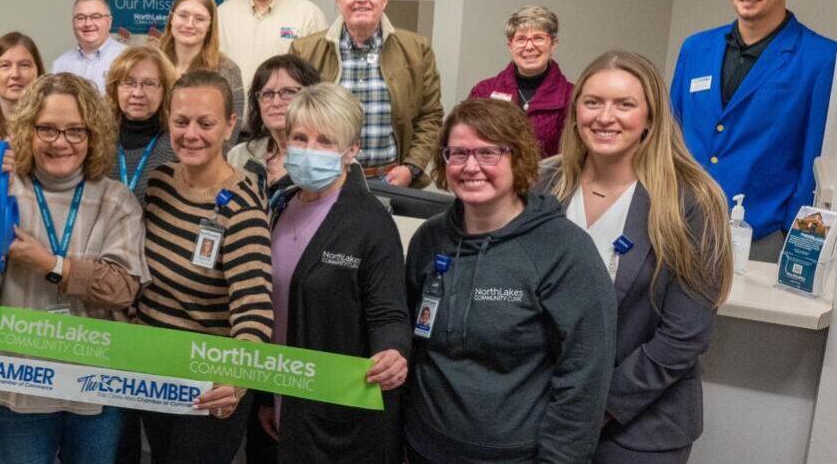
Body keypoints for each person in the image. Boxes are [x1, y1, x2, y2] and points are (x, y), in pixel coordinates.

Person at [0, 73, 147, 464]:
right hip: (18, 380)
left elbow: (124, 288)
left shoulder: (116, 199)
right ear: (27, 130)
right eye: (48, 129)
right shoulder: (1, 183)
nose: (61, 142)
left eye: (75, 131)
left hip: (94, 381)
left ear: (93, 135)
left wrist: (51, 265)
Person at [404, 98, 616, 464]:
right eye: (458, 153)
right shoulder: (429, 239)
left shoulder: (564, 251)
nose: (471, 167)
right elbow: (411, 343)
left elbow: (584, 377)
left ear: (517, 158)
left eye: (489, 153)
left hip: (514, 456)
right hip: (424, 446)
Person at [550, 51, 732, 463]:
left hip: (640, 427)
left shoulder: (690, 200)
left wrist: (597, 408)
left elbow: (684, 336)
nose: (604, 117)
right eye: (592, 102)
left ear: (650, 117)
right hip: (546, 411)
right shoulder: (546, 185)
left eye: (624, 104)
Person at [254, 83, 409, 464]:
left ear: (351, 149)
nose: (309, 150)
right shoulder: (277, 204)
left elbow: (388, 314)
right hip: (278, 395)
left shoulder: (371, 222)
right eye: (300, 137)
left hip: (339, 415)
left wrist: (393, 351)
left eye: (325, 141)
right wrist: (265, 397)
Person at [670, 0, 837, 260]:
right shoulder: (696, 48)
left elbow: (815, 152)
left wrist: (792, 231)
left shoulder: (821, 57)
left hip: (763, 232)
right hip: (682, 221)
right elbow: (670, 131)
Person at [136, 71, 273, 463]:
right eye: (181, 121)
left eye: (206, 123)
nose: (190, 134)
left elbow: (254, 310)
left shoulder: (242, 206)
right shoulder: (160, 182)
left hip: (209, 382)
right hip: (152, 369)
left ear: (231, 125)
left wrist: (236, 378)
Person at [290, 0, 443, 188]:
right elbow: (292, 116)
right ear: (338, 0)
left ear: (384, 0)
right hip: (325, 178)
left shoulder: (417, 49)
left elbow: (430, 115)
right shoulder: (304, 50)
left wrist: (411, 167)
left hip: (390, 179)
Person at [467, 6, 573, 156]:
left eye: (538, 38)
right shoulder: (483, 92)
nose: (529, 47)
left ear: (553, 44)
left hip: (550, 180)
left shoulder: (571, 97)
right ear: (510, 47)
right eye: (521, 39)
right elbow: (467, 145)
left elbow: (572, 159)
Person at [155, 0, 247, 129]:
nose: (189, 24)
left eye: (200, 19)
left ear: (210, 25)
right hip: (150, 150)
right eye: (183, 16)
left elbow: (230, 131)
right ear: (172, 19)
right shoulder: (151, 63)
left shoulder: (227, 70)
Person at [228, 54, 321, 190]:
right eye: (267, 94)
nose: (275, 102)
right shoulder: (238, 156)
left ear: (313, 97)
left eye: (288, 92)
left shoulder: (331, 159)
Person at [104, 45, 180, 203]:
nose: (137, 93)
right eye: (129, 83)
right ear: (114, 88)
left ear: (165, 90)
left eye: (149, 84)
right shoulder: (98, 141)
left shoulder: (178, 145)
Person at [51, 0, 127, 93]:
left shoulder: (128, 57)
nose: (88, 24)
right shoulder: (60, 65)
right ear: (73, 23)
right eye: (81, 18)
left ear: (109, 22)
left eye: (95, 16)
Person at [0, 32, 45, 139]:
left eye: (24, 65)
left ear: (38, 72)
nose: (15, 74)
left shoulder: (52, 124)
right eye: (5, 65)